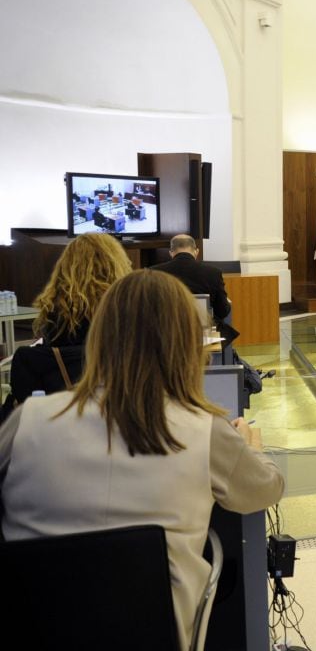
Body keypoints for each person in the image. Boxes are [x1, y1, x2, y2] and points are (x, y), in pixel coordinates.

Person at [0, 270, 284, 650]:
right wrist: (249, 447)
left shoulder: (25, 423)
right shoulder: (204, 431)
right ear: (187, 344)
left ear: (100, 337)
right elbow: (267, 489)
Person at [1, 234, 131, 418]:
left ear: (66, 267)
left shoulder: (54, 309)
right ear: (116, 263)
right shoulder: (127, 306)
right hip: (119, 401)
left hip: (60, 403)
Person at [153, 234, 231, 323]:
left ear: (171, 252)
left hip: (166, 329)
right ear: (196, 251)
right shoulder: (213, 272)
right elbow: (222, 311)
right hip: (202, 330)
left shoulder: (154, 272)